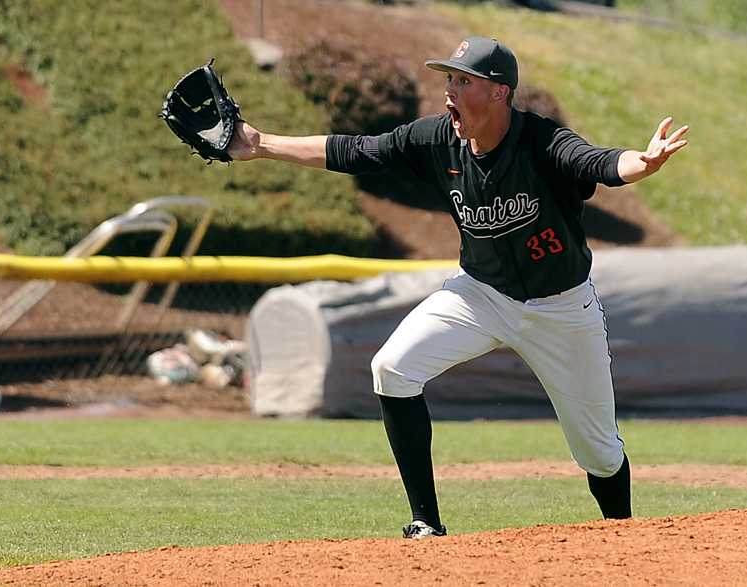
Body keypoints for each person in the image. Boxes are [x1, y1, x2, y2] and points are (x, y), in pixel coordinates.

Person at [229, 36, 688, 539]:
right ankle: (426, 521)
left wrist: (642, 164)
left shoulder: (542, 142)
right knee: (392, 368)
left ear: (499, 93)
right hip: (480, 295)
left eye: (463, 81)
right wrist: (261, 145)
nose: (449, 91)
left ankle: (627, 543)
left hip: (561, 308)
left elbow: (598, 162)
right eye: (448, 78)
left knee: (598, 451)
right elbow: (357, 150)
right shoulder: (437, 141)